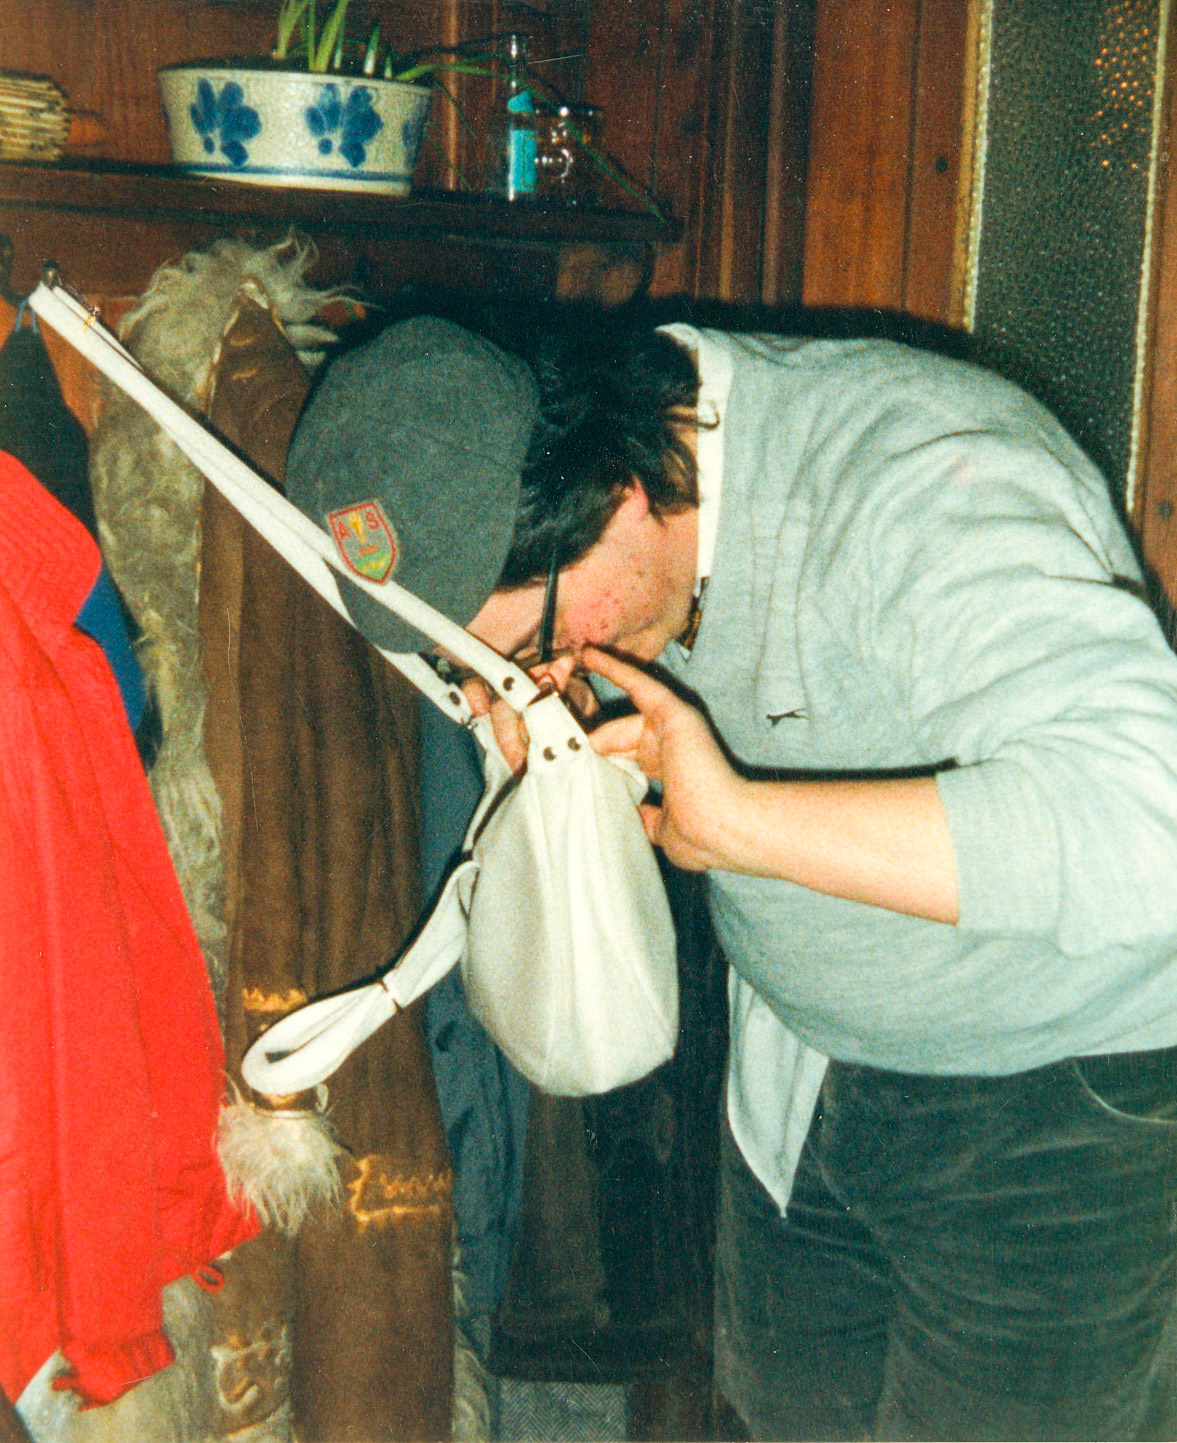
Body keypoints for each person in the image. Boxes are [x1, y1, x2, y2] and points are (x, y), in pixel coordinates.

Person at [287, 306, 1177, 1441]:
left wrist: (745, 823)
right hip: (806, 1080)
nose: (511, 689)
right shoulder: (600, 541)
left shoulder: (919, 473)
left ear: (621, 490)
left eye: (516, 657)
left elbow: (1149, 822)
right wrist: (560, 742)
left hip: (1056, 1105)